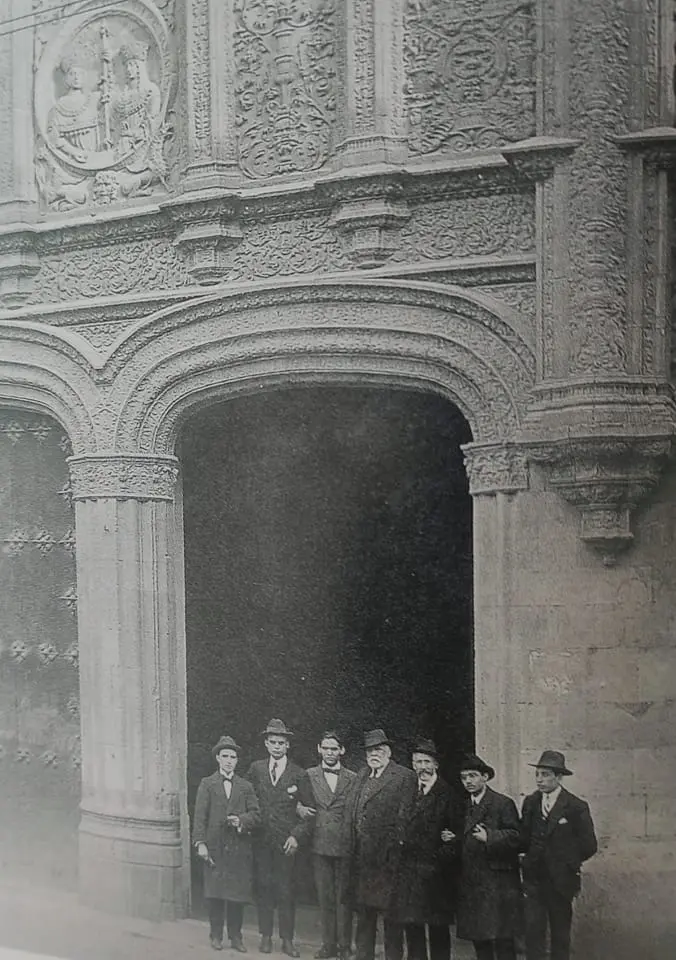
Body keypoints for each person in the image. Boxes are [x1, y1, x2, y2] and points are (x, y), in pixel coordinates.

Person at [345, 729, 417, 960]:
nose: (373, 754)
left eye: (377, 750)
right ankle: (363, 956)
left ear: (388, 751)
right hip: (362, 860)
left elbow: (405, 819)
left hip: (388, 862)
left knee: (391, 918)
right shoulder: (362, 775)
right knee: (364, 916)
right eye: (369, 750)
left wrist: (394, 853)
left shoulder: (403, 776)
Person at [520, 750, 597, 960]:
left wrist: (566, 863)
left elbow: (589, 845)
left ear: (559, 777)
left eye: (545, 775)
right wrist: (526, 861)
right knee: (533, 934)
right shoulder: (530, 803)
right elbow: (524, 838)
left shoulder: (575, 806)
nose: (540, 779)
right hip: (534, 881)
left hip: (561, 882)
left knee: (560, 936)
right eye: (537, 774)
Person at [390, 738, 457, 960]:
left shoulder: (448, 794)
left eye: (427, 761)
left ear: (436, 765)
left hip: (435, 874)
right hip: (409, 872)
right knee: (412, 925)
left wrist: (436, 863)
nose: (422, 767)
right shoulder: (408, 790)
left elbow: (455, 838)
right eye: (417, 762)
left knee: (437, 928)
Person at [247, 719, 309, 957]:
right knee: (264, 888)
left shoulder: (299, 774)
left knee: (285, 891)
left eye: (281, 743)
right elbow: (246, 798)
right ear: (266, 743)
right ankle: (265, 937)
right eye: (272, 742)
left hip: (286, 844)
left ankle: (287, 940)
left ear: (288, 745)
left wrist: (296, 837)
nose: (276, 747)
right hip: (262, 841)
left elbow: (309, 812)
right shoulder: (256, 769)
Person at [193, 735, 261, 952]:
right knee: (215, 894)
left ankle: (236, 936)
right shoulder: (207, 784)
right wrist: (200, 843)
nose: (229, 760)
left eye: (233, 756)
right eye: (225, 756)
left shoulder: (246, 786)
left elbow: (257, 815)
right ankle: (215, 935)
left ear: (237, 760)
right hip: (215, 847)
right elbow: (200, 817)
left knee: (236, 896)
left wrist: (241, 820)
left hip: (239, 848)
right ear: (217, 758)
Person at [454, 755, 522, 960]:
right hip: (472, 882)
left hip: (497, 883)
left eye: (473, 776)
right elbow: (464, 837)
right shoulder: (463, 806)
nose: (468, 781)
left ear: (485, 777)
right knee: (479, 936)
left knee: (502, 937)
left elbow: (517, 837)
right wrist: (453, 837)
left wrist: (490, 837)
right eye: (464, 777)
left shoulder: (502, 803)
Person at [297, 731, 357, 960]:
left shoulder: (353, 777)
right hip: (320, 843)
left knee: (344, 897)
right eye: (326, 748)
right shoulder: (309, 775)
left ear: (342, 751)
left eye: (334, 748)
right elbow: (301, 802)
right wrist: (299, 809)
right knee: (325, 897)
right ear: (319, 749)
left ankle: (344, 946)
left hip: (344, 844)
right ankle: (328, 945)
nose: (330, 752)